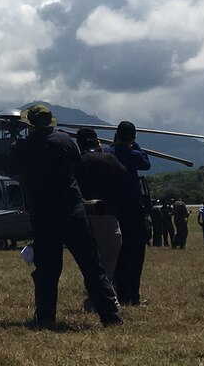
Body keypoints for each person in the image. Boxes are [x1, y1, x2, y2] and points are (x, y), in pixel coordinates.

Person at [8, 107, 121, 328]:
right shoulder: (64, 141)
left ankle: (45, 317)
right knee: (92, 266)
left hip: (42, 214)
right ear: (51, 123)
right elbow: (78, 169)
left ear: (29, 125)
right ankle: (110, 316)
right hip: (72, 210)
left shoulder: (19, 147)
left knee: (47, 271)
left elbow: (14, 170)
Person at [75, 128, 126, 306]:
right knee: (108, 262)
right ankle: (106, 297)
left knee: (91, 263)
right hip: (110, 218)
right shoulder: (111, 160)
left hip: (86, 218)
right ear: (97, 142)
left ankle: (101, 299)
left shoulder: (79, 162)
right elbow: (123, 179)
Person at [105, 120, 150, 306]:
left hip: (113, 209)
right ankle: (133, 295)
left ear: (116, 135)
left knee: (118, 253)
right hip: (133, 209)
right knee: (136, 253)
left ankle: (119, 293)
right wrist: (136, 145)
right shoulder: (134, 154)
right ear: (133, 137)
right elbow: (146, 163)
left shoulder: (108, 153)